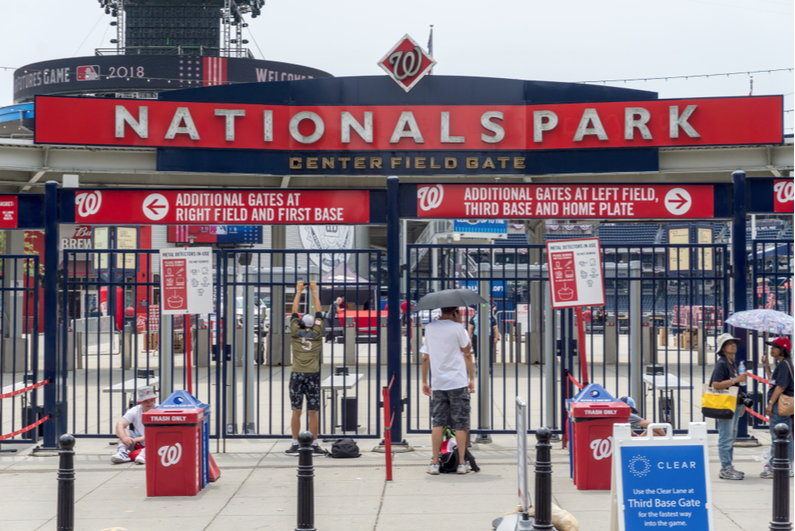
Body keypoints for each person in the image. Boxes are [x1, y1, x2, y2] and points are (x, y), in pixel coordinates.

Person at [421, 306, 475, 475]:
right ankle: (461, 463)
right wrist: (471, 378)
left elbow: (425, 357)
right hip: (457, 381)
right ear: (454, 312)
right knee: (460, 423)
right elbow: (467, 352)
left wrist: (424, 381)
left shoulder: (429, 328)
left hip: (438, 382)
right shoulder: (458, 328)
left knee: (437, 422)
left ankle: (435, 463)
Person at [285, 280, 325, 456]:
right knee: (313, 411)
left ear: (300, 323)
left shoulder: (295, 331)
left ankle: (295, 443)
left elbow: (293, 312)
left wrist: (298, 291)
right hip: (313, 374)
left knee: (296, 410)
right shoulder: (317, 332)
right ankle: (314, 443)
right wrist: (315, 291)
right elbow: (319, 312)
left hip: (297, 374)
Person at [710, 332, 747, 480]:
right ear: (723, 348)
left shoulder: (732, 362)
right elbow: (716, 384)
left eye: (734, 342)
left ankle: (728, 466)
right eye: (729, 343)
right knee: (725, 437)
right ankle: (725, 468)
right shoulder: (722, 363)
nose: (733, 345)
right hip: (726, 406)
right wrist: (735, 380)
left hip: (735, 403)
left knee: (731, 437)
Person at [760, 336, 793, 478]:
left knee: (778, 437)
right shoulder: (782, 364)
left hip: (779, 405)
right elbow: (774, 382)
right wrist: (767, 366)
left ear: (783, 349)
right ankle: (786, 467)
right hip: (780, 405)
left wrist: (770, 403)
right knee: (785, 436)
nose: (771, 349)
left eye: (774, 347)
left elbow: (780, 387)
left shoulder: (784, 364)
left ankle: (777, 468)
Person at [111, 386, 157, 465]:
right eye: (146, 401)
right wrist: (124, 437)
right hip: (137, 442)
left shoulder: (159, 410)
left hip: (152, 441)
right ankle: (122, 452)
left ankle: (144, 454)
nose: (149, 403)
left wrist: (140, 438)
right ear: (141, 402)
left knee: (156, 436)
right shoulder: (135, 410)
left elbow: (158, 431)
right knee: (124, 431)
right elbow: (120, 424)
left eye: (151, 400)